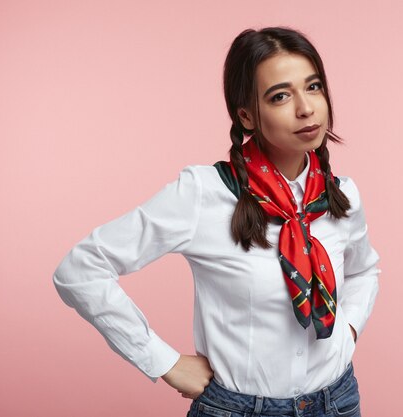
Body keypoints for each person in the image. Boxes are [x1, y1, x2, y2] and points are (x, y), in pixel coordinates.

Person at [53, 26, 381, 417]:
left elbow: (365, 271)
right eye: (280, 96)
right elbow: (80, 269)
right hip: (238, 409)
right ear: (246, 115)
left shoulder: (341, 195)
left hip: (337, 403)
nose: (306, 108)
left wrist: (348, 331)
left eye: (313, 87)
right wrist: (163, 362)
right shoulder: (203, 194)